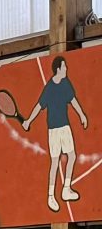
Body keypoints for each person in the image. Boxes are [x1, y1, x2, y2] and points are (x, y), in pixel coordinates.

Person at [33, 54, 90, 212]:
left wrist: (82, 115)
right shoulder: (49, 88)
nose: (66, 69)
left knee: (72, 156)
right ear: (58, 69)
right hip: (53, 130)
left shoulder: (66, 83)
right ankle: (51, 196)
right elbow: (39, 105)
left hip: (65, 127)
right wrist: (29, 121)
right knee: (55, 162)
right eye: (64, 66)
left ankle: (66, 189)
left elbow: (73, 100)